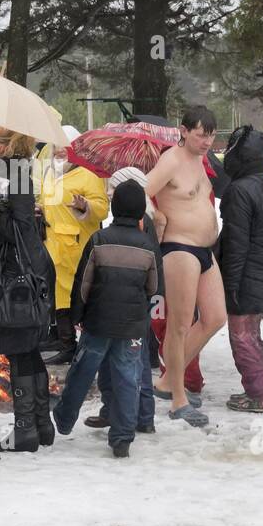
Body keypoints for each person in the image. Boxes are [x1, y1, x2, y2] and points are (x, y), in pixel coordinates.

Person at [52, 180, 163, 458]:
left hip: (97, 323)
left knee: (82, 371)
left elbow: (82, 282)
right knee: (127, 377)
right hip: (131, 326)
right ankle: (122, 438)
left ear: (113, 208)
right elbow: (155, 288)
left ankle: (64, 419)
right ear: (141, 214)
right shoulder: (149, 245)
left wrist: (77, 314)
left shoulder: (99, 240)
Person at [0, 127, 55, 453]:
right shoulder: (20, 171)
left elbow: (16, 225)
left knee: (19, 349)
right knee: (30, 349)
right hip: (34, 269)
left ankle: (25, 430)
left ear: (6, 145)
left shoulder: (13, 172)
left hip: (17, 275)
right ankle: (41, 424)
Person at [144, 105, 225, 426]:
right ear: (184, 131)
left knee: (216, 317)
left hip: (205, 250)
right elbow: (139, 190)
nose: (207, 142)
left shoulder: (199, 161)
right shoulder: (171, 160)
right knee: (178, 325)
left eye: (211, 136)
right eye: (201, 135)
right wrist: (156, 215)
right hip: (179, 249)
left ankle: (167, 379)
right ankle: (178, 399)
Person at [86, 167, 158, 435]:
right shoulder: (142, 223)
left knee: (130, 367)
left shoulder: (142, 226)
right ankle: (133, 415)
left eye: (113, 191)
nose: (109, 195)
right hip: (134, 311)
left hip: (127, 313)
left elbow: (150, 274)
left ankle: (138, 417)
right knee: (132, 365)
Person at [216, 126, 263, 413]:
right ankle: (258, 389)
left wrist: (230, 282)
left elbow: (236, 243)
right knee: (251, 334)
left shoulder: (240, 189)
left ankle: (257, 395)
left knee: (242, 335)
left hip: (246, 273)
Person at [40, 131, 109, 365]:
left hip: (78, 248)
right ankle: (67, 344)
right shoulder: (49, 174)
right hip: (52, 247)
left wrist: (85, 205)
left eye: (64, 147)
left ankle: (90, 346)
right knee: (59, 298)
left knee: (81, 295)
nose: (59, 151)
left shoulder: (88, 175)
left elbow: (102, 209)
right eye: (55, 146)